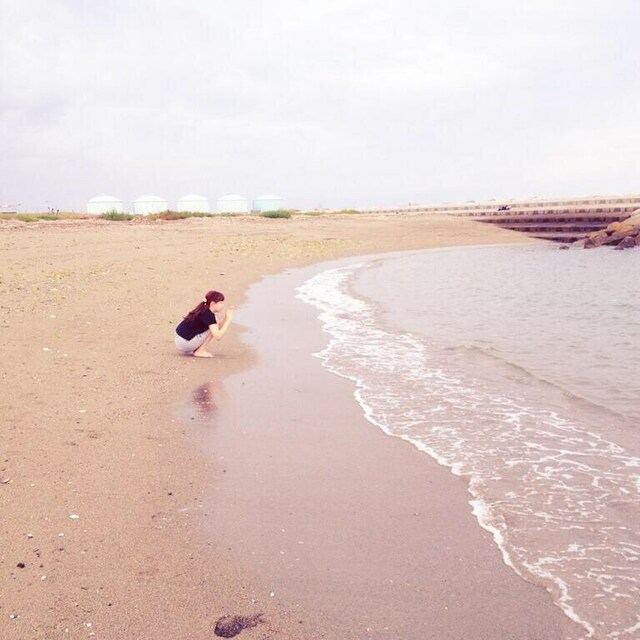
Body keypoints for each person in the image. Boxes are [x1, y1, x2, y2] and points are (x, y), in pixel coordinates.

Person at [174, 290, 234, 358]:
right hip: (184, 344)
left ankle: (198, 349)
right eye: (220, 303)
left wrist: (226, 317)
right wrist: (228, 320)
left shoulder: (204, 309)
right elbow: (218, 336)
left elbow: (217, 328)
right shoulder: (208, 315)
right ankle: (200, 351)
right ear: (212, 304)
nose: (222, 305)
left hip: (179, 340)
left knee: (215, 325)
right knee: (213, 327)